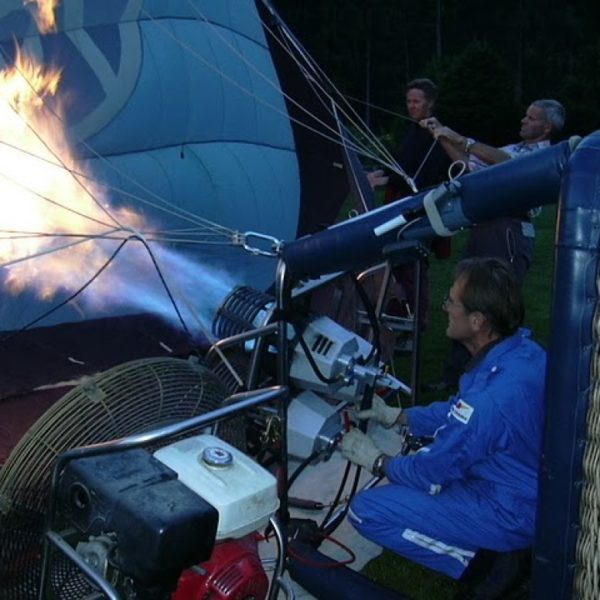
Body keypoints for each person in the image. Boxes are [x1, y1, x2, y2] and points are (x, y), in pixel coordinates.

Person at [340, 257, 546, 583]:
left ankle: (486, 568)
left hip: (509, 511)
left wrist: (378, 461)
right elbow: (460, 410)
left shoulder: (488, 401)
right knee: (423, 459)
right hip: (529, 490)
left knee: (366, 511)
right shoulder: (523, 352)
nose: (444, 307)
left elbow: (433, 471)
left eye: (451, 302)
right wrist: (400, 416)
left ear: (477, 320)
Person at [421, 99, 565, 392]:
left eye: (531, 118)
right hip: (486, 228)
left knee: (494, 304)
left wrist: (464, 139)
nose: (523, 121)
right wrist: (443, 136)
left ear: (546, 127)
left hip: (509, 233)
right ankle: (457, 376)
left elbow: (513, 167)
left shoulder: (546, 156)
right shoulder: (513, 149)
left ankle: (494, 376)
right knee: (466, 296)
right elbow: (470, 168)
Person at [368, 78, 453, 331]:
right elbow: (401, 163)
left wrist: (386, 178)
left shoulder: (436, 135)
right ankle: (399, 312)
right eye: (408, 101)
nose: (411, 106)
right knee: (397, 261)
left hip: (419, 206)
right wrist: (381, 174)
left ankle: (416, 317)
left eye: (416, 101)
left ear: (430, 103)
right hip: (402, 201)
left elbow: (421, 173)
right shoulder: (413, 130)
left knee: (412, 261)